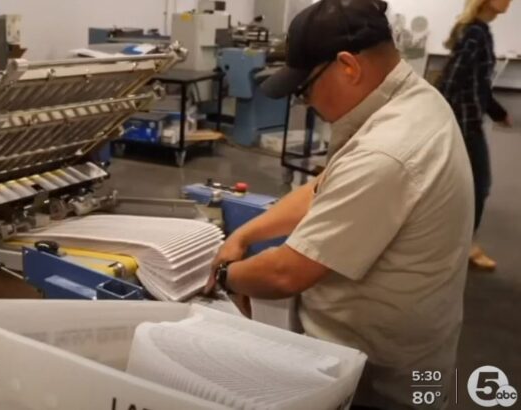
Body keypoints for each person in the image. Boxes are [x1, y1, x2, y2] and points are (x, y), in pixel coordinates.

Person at [204, 0, 474, 409]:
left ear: (348, 67)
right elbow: (324, 189)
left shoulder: (388, 151)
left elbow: (286, 273)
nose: (307, 102)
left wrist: (225, 276)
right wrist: (245, 235)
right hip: (400, 347)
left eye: (305, 88)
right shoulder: (414, 101)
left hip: (376, 382)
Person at [438, 0, 513, 271]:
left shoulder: (479, 31)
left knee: (466, 185)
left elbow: (478, 84)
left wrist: (497, 112)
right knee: (479, 185)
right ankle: (464, 245)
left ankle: (455, 242)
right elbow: (451, 80)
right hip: (463, 124)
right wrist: (438, 121)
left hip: (467, 122)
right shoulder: (475, 34)